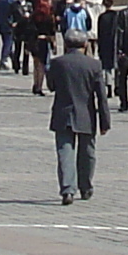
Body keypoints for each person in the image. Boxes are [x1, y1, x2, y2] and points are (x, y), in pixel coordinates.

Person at [46, 31, 110, 205]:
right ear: (85, 45)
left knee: (65, 152)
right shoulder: (94, 65)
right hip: (86, 114)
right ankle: (86, 186)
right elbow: (101, 96)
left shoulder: (57, 63)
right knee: (88, 153)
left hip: (62, 113)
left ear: (66, 45)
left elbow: (51, 86)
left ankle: (67, 189)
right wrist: (105, 122)